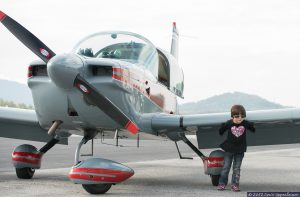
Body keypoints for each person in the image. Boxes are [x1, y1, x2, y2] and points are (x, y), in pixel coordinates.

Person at [217, 105, 255, 192]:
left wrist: (252, 125)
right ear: (232, 116)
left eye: (242, 116)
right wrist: (223, 125)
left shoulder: (245, 123)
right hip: (229, 149)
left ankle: (235, 185)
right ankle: (222, 184)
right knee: (226, 167)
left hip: (240, 150)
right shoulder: (229, 123)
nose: (240, 118)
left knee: (236, 168)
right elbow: (220, 132)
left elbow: (253, 129)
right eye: (237, 116)